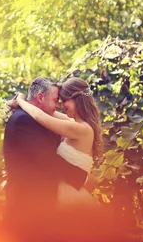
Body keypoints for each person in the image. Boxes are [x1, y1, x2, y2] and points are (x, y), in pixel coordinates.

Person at [2, 77, 88, 242]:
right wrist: (80, 176)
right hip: (26, 203)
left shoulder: (36, 118)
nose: (58, 106)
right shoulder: (23, 121)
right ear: (40, 97)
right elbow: (48, 160)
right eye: (55, 100)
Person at [14, 77, 103, 207]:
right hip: (63, 190)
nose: (61, 105)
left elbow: (40, 116)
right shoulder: (76, 124)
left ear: (77, 100)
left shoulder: (81, 129)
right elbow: (46, 112)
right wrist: (24, 99)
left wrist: (20, 100)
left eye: (65, 100)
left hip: (67, 193)